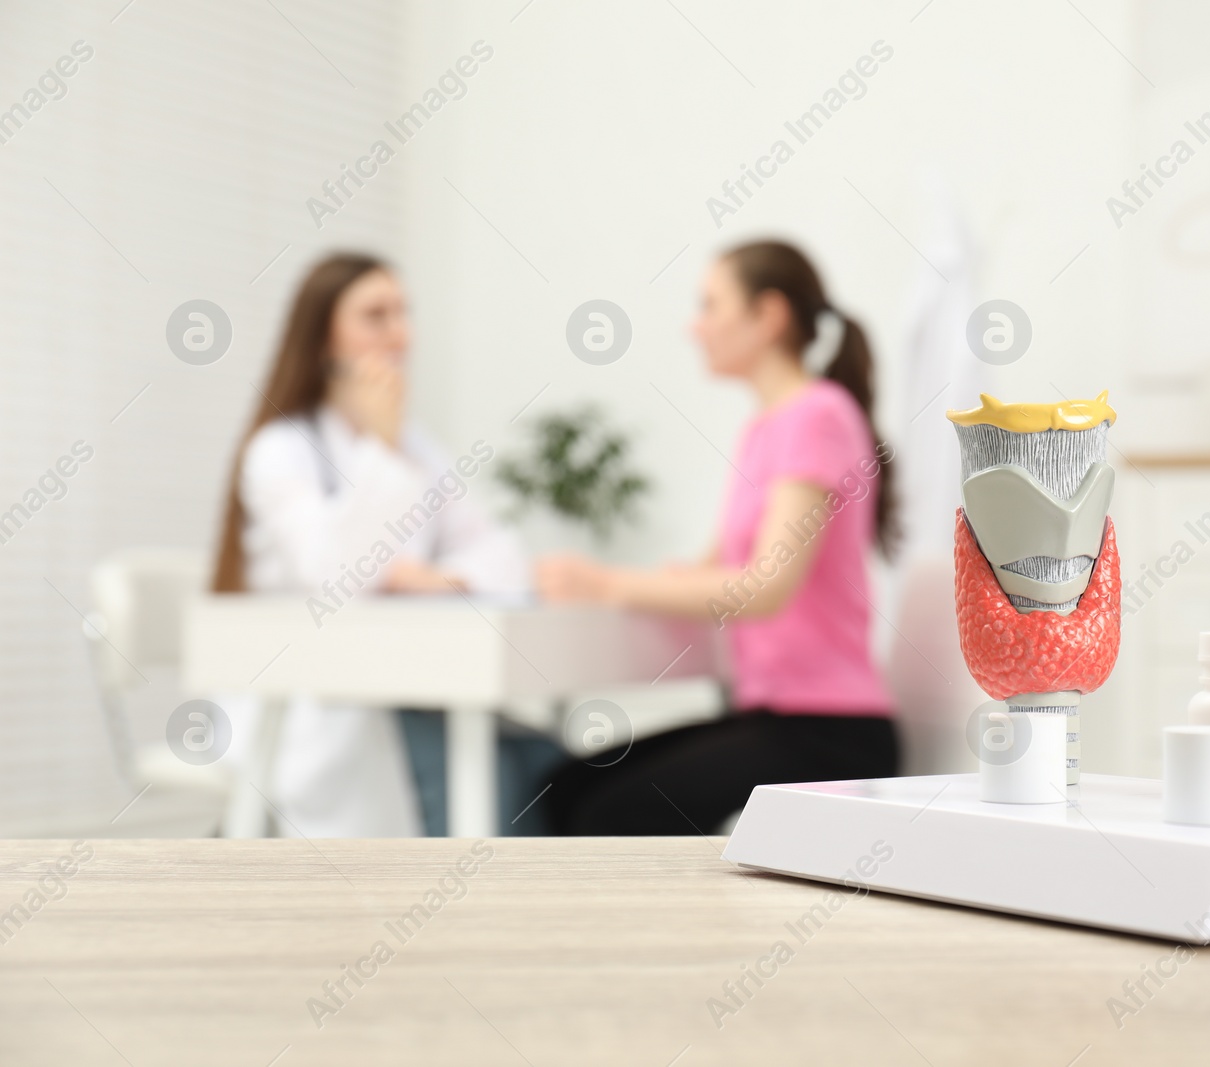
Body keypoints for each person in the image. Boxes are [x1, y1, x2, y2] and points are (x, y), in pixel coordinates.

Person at [535, 240, 900, 834]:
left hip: (832, 731)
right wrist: (645, 581)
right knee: (562, 788)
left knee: (607, 813)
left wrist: (604, 582)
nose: (694, 326)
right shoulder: (765, 428)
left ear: (768, 316)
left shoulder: (818, 415)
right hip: (770, 714)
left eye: (710, 306)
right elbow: (715, 569)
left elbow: (765, 586)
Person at [212, 252, 559, 837]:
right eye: (377, 315)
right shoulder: (281, 448)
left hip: (410, 682)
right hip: (318, 698)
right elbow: (334, 575)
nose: (401, 333)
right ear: (323, 334)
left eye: (403, 313)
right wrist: (382, 448)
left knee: (539, 761)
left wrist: (438, 579)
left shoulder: (418, 446)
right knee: (492, 779)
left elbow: (503, 556)